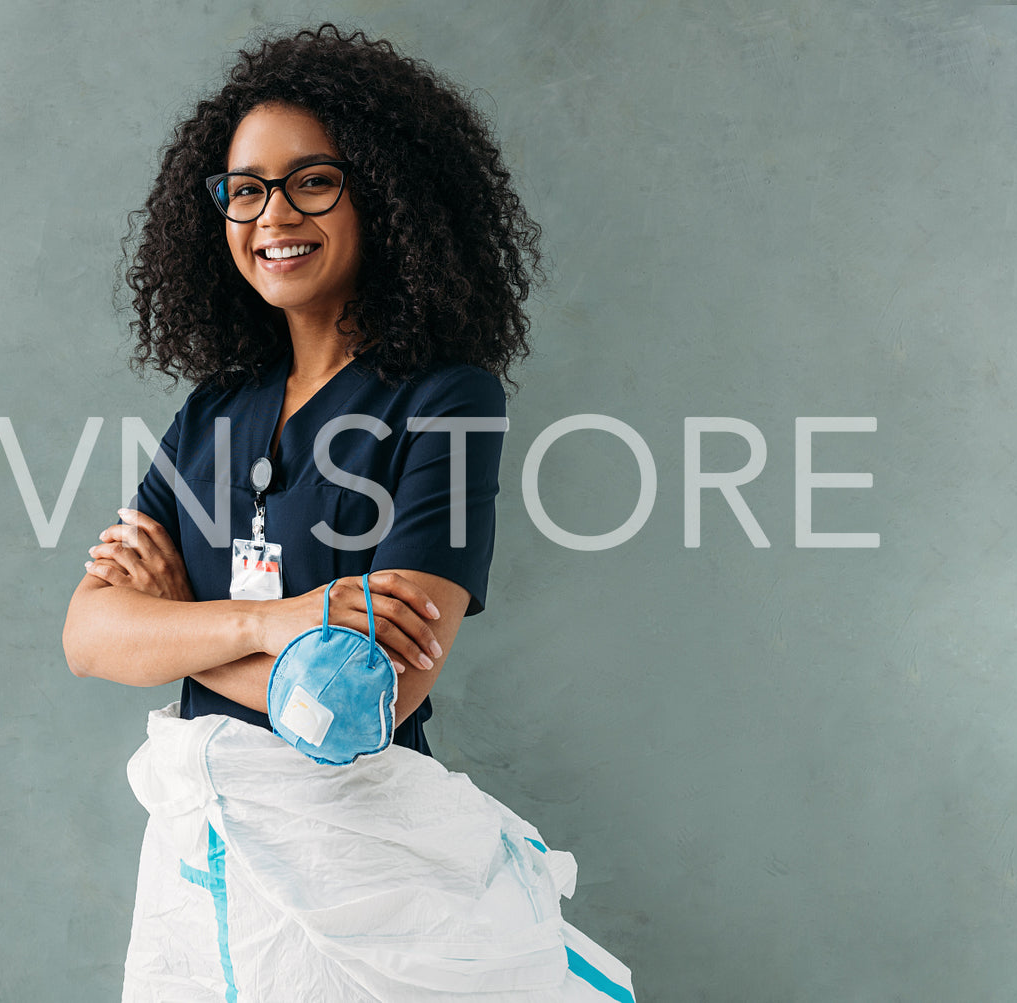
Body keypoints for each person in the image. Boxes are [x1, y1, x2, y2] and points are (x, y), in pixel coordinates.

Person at [62, 24, 635, 1002]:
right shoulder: (213, 409)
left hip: (367, 882)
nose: (270, 214)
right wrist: (278, 623)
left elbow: (365, 703)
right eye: (244, 189)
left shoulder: (444, 399)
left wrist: (170, 631)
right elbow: (86, 634)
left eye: (310, 180)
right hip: (200, 871)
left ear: (382, 191)